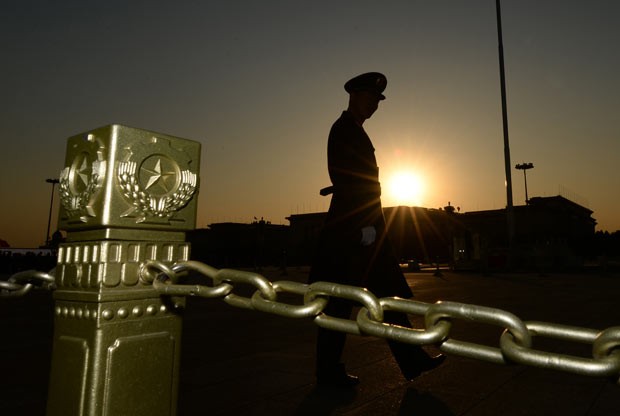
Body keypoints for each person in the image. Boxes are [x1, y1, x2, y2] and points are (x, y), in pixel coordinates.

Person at [309, 72, 445, 387]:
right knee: (338, 304)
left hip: (363, 231)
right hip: (354, 233)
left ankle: (411, 361)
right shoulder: (343, 130)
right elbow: (347, 180)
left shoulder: (354, 131)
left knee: (385, 300)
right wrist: (364, 226)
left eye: (378, 101)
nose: (375, 105)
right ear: (355, 96)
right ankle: (329, 373)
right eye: (371, 98)